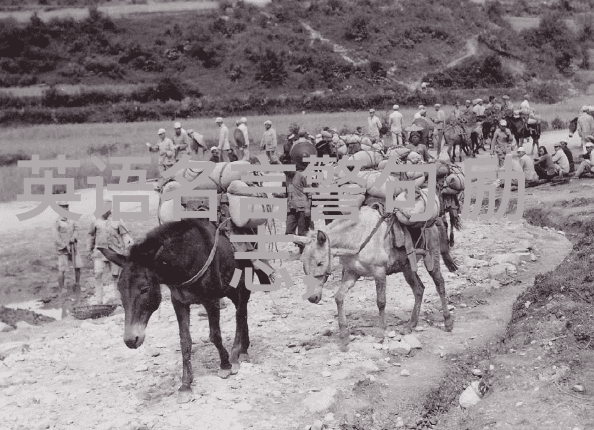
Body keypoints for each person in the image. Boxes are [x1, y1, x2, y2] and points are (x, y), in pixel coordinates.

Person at [87, 197, 134, 305]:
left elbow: (125, 234)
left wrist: (128, 244)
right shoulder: (95, 220)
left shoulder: (117, 219)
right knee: (98, 275)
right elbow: (90, 236)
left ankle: (118, 300)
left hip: (114, 253)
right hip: (99, 253)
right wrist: (89, 250)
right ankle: (99, 301)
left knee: (115, 276)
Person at [54, 201, 83, 295]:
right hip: (63, 249)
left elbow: (77, 229)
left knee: (78, 266)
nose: (65, 209)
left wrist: (74, 237)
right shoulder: (57, 222)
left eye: (67, 207)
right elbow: (56, 237)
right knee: (62, 269)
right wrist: (65, 245)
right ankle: (61, 288)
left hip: (73, 246)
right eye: (63, 207)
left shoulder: (72, 219)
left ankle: (77, 284)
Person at [146, 128, 175, 192]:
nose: (160, 136)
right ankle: (160, 187)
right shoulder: (159, 142)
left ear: (164, 134)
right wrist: (150, 148)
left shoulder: (169, 141)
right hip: (161, 160)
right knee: (162, 174)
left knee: (168, 175)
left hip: (168, 160)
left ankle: (168, 187)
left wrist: (168, 153)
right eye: (159, 135)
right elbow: (155, 149)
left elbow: (172, 150)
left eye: (161, 134)